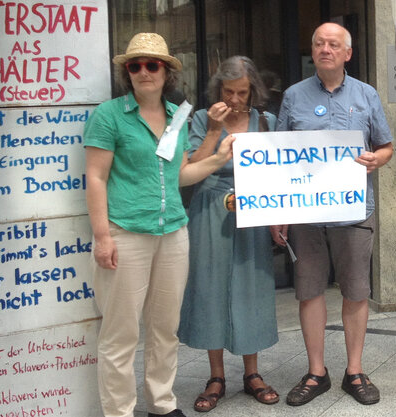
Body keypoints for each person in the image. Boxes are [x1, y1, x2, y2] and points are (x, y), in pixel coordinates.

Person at [84, 33, 235, 417]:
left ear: (166, 71)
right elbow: (96, 178)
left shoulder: (177, 117)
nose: (143, 71)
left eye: (152, 65)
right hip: (126, 231)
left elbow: (180, 175)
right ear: (127, 73)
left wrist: (218, 159)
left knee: (165, 328)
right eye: (134, 65)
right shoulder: (109, 115)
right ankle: (118, 411)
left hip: (172, 232)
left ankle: (162, 403)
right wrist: (102, 237)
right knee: (120, 334)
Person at [271, 22, 393, 407]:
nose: (325, 49)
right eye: (319, 43)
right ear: (313, 51)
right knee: (309, 291)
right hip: (305, 215)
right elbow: (277, 155)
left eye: (333, 44)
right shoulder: (293, 96)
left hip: (354, 211)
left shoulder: (366, 94)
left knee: (356, 291)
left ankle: (354, 370)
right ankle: (316, 372)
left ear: (347, 53)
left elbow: (387, 146)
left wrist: (378, 159)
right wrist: (278, 212)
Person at [176, 56, 279, 412]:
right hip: (210, 207)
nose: (235, 99)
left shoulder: (266, 122)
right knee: (211, 287)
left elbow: (277, 172)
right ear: (218, 89)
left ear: (253, 92)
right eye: (228, 91)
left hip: (254, 209)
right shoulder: (203, 119)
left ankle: (252, 374)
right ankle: (216, 376)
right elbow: (191, 168)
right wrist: (213, 132)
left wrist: (279, 217)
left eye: (242, 92)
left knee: (251, 287)